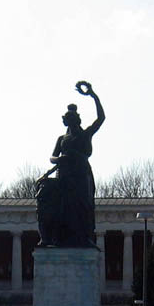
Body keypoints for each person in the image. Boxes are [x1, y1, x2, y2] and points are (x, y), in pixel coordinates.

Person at [35, 81, 105, 248]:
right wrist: (59, 160)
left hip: (80, 175)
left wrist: (93, 96)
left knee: (81, 206)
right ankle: (48, 237)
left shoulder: (85, 134)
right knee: (51, 199)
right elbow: (52, 157)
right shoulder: (62, 139)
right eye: (69, 119)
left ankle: (84, 237)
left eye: (74, 119)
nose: (72, 122)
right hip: (64, 175)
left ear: (77, 120)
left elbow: (101, 118)